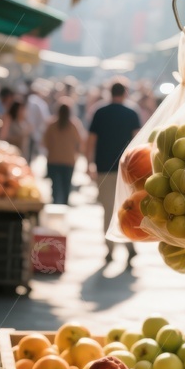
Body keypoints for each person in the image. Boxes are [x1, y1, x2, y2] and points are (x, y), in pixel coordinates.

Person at [87, 82, 141, 265]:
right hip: (127, 170)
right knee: (128, 210)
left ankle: (109, 250)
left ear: (110, 92)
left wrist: (88, 163)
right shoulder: (132, 113)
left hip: (104, 168)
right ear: (125, 93)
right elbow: (138, 141)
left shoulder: (100, 112)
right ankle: (130, 246)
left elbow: (91, 140)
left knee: (108, 211)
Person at [43, 101, 85, 205]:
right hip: (68, 160)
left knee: (55, 186)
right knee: (66, 185)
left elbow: (45, 143)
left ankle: (55, 204)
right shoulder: (74, 125)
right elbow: (80, 143)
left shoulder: (52, 125)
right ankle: (64, 204)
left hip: (53, 159)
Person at [26, 82, 51, 163]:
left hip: (29, 131)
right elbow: (45, 119)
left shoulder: (30, 100)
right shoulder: (40, 103)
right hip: (34, 132)